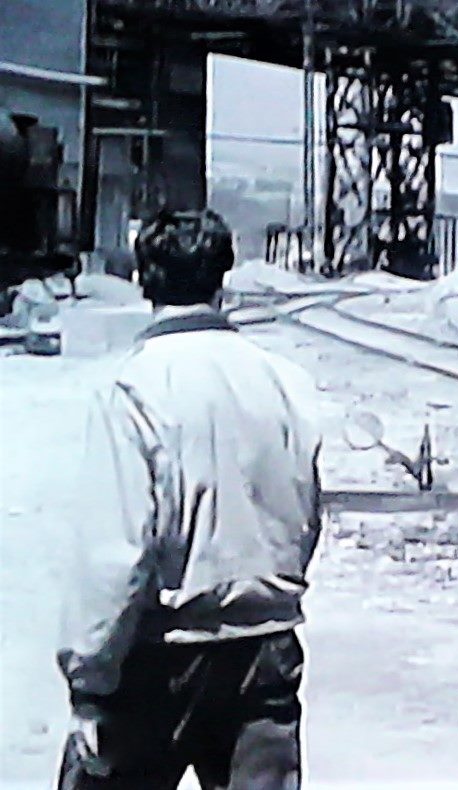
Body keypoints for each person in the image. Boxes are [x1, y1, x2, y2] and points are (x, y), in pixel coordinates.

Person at [57, 209, 324, 789]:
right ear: (222, 278)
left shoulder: (134, 388)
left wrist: (88, 682)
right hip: (265, 648)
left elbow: (116, 551)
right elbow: (305, 517)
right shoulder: (284, 383)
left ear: (143, 280)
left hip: (160, 656)